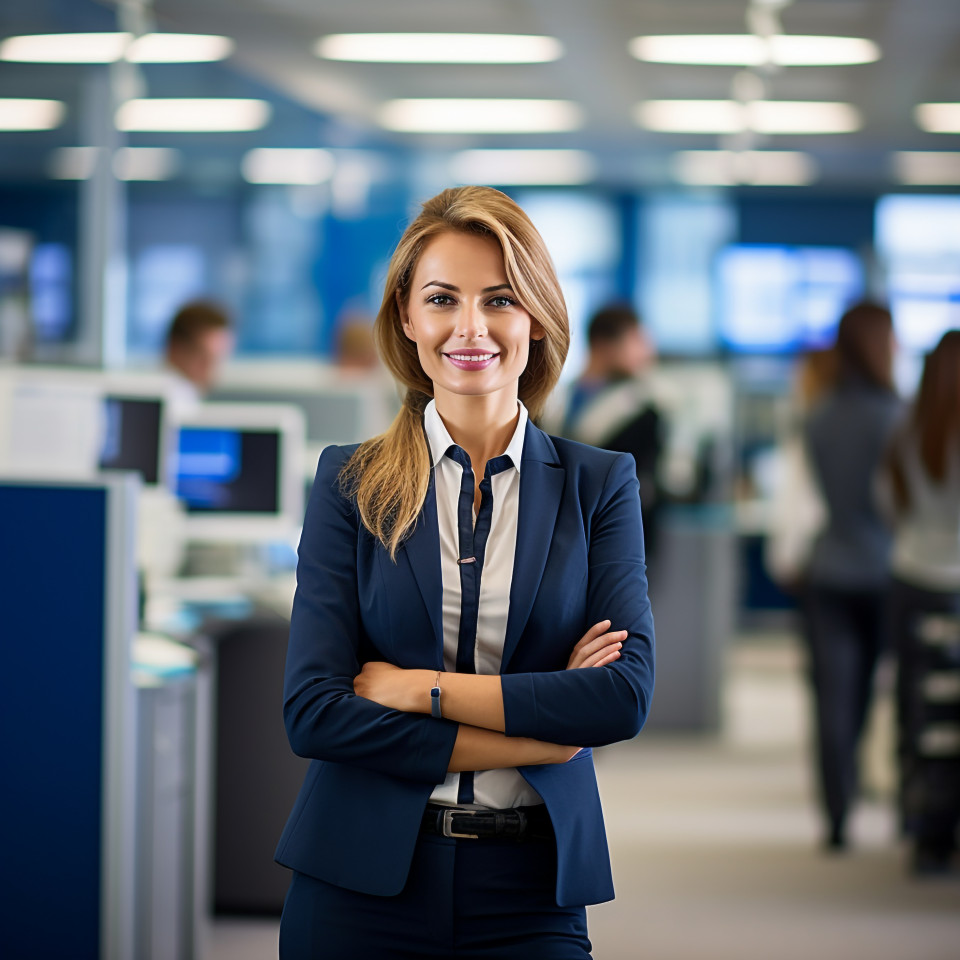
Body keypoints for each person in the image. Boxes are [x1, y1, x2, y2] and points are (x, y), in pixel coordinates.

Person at [275, 186, 656, 959]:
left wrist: (420, 691)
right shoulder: (349, 483)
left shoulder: (599, 485)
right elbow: (315, 713)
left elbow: (618, 698)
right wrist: (540, 740)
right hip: (358, 879)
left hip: (531, 885)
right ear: (407, 319)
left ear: (538, 319)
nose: (471, 328)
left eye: (501, 299)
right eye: (443, 298)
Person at [803, 301, 901, 851]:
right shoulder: (899, 416)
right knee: (876, 696)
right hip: (886, 571)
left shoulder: (818, 416)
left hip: (830, 569)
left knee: (832, 699)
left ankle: (837, 816)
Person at [886, 329, 960, 874]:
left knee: (917, 705)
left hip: (912, 577)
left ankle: (920, 824)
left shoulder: (906, 426)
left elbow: (884, 500)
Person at [545, 303, 666, 556]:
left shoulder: (642, 410)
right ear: (604, 345)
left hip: (615, 542)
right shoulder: (552, 400)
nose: (647, 351)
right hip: (553, 537)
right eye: (637, 341)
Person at [163, 299, 233, 410]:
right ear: (175, 349)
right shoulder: (176, 399)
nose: (211, 367)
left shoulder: (190, 396)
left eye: (218, 358)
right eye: (203, 356)